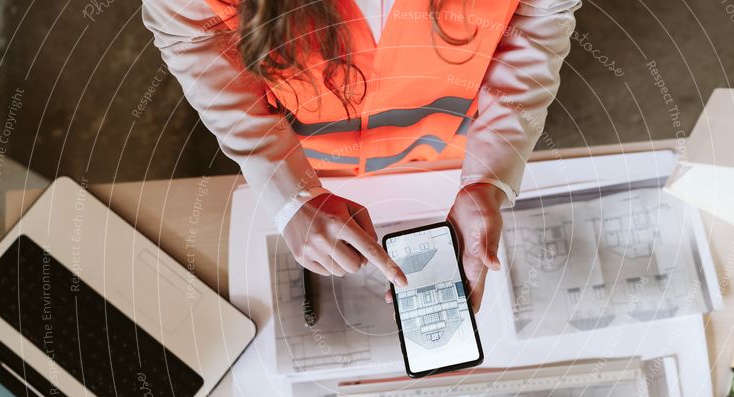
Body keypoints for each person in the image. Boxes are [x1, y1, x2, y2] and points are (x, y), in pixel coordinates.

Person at [142, 0, 580, 311]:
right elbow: (192, 37)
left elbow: (542, 14)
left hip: (448, 146)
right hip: (305, 155)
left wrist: (490, 173)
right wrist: (289, 191)